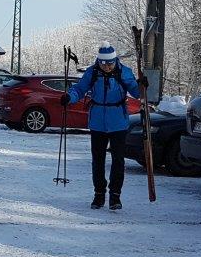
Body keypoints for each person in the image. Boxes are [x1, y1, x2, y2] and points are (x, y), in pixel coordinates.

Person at [61, 42, 146, 210]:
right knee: (98, 160)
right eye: (103, 63)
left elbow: (137, 92)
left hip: (118, 122)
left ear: (115, 61)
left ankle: (115, 196)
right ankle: (99, 195)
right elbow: (79, 89)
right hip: (98, 122)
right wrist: (69, 97)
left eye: (110, 63)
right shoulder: (92, 73)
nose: (106, 66)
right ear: (98, 61)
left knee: (118, 161)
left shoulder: (124, 72)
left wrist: (142, 85)